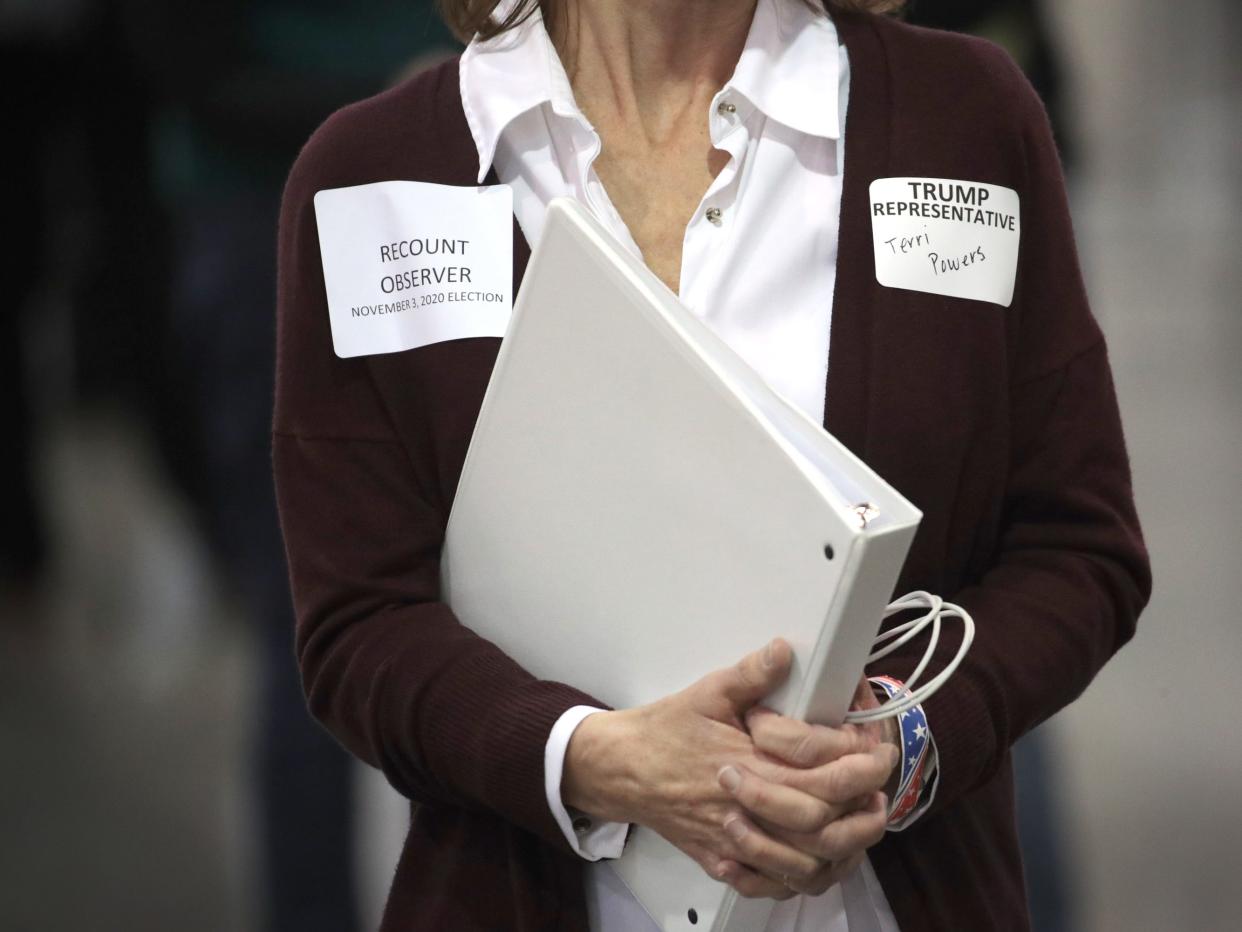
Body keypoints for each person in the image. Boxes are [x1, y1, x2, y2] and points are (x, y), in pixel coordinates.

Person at [272, 0, 1151, 930]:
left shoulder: (961, 118)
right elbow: (358, 626)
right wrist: (590, 759)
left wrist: (906, 735)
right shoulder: (374, 180)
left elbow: (1080, 548)